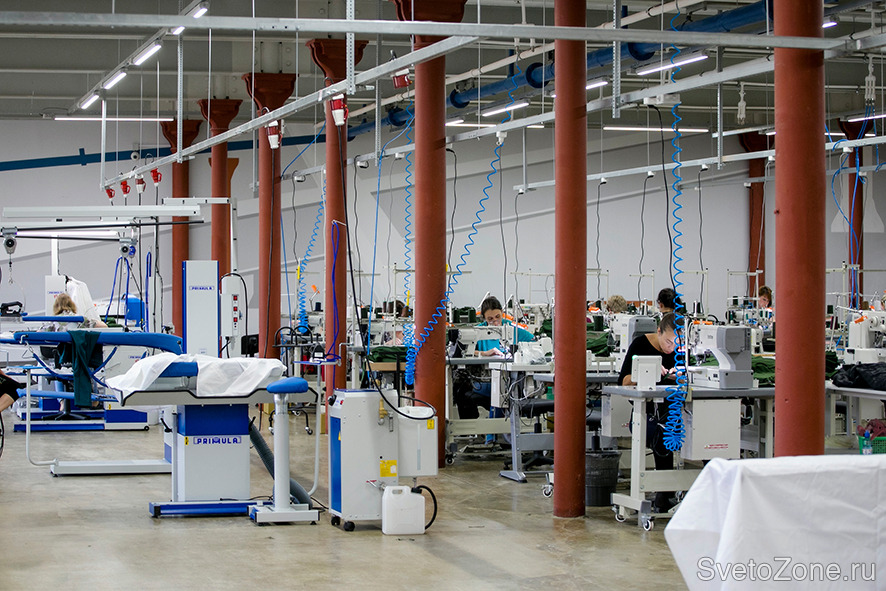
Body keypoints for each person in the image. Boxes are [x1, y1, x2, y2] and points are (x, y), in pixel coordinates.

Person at [618, 311, 681, 513]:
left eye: (677, 343)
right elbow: (624, 381)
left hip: (677, 412)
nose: (672, 348)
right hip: (647, 414)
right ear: (658, 331)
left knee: (705, 434)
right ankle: (664, 493)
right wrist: (647, 373)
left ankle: (712, 489)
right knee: (663, 434)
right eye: (669, 342)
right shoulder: (640, 345)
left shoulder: (680, 351)